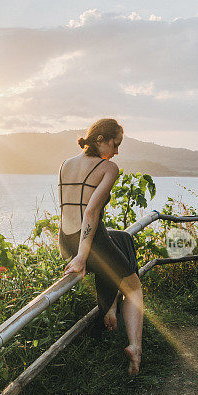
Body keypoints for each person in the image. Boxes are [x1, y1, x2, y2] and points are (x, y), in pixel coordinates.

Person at [57, 118, 144, 375]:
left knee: (121, 239)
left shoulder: (65, 164)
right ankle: (135, 348)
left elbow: (67, 209)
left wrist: (74, 252)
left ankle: (110, 309)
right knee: (135, 288)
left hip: (65, 239)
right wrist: (83, 256)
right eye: (115, 144)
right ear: (100, 139)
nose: (116, 152)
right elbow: (92, 212)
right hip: (90, 243)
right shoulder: (109, 168)